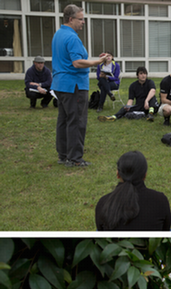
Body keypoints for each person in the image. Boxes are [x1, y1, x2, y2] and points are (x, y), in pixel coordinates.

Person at [52, 4, 108, 167]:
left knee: (64, 120)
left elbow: (71, 59)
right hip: (73, 86)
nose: (83, 22)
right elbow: (77, 63)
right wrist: (98, 62)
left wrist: (91, 59)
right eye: (81, 19)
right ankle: (75, 158)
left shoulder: (59, 34)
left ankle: (63, 155)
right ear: (71, 19)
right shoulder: (72, 37)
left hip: (60, 84)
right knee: (76, 121)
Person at [95, 151, 171, 231]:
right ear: (145, 175)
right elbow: (166, 230)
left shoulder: (103, 203)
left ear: (118, 174)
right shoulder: (160, 200)